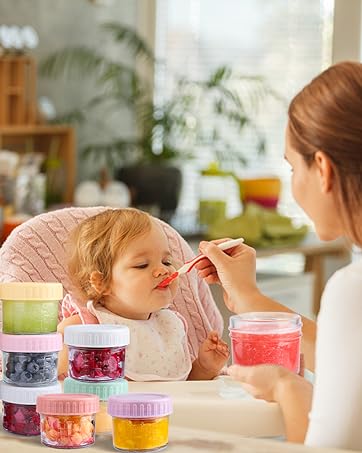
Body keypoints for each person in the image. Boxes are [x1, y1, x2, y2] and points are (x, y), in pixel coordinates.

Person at [195, 61, 362, 450]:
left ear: (322, 168)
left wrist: (289, 389)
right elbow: (350, 356)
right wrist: (250, 300)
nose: (292, 184)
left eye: (291, 167)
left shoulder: (351, 289)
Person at [57, 208, 229, 381]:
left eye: (166, 261)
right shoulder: (82, 328)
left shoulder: (169, 326)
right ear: (102, 282)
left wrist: (205, 368)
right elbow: (52, 385)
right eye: (142, 265)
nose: (162, 270)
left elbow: (183, 389)